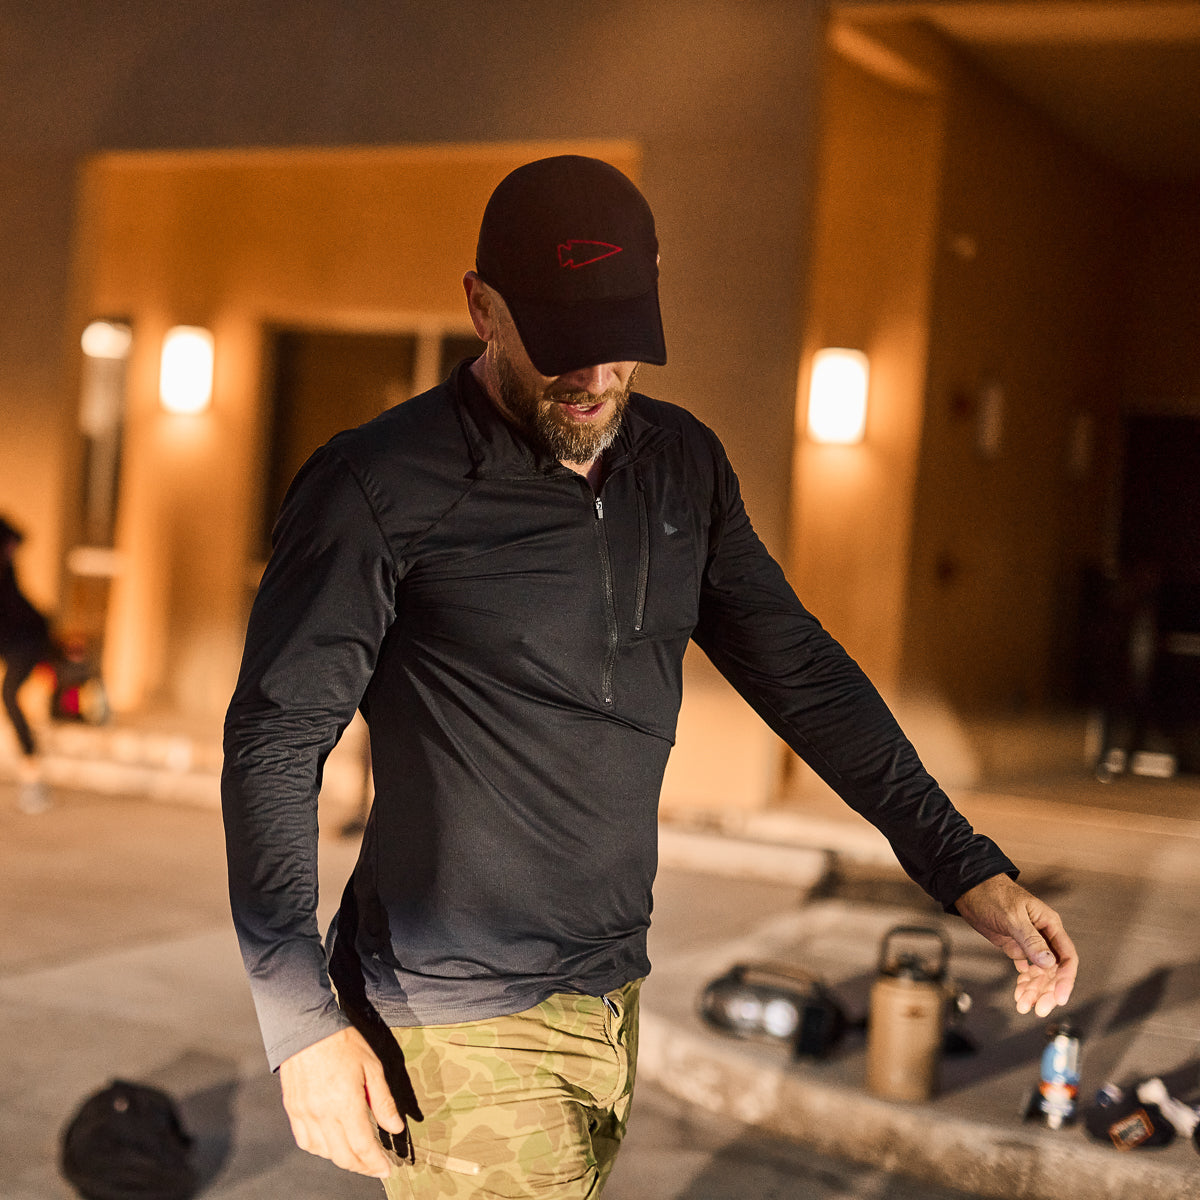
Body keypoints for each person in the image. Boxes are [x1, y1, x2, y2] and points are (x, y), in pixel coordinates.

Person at [222, 156, 1078, 1198]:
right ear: (482, 308)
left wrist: (965, 868)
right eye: (561, 346)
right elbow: (275, 742)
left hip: (609, 991)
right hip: (458, 1019)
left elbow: (803, 674)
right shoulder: (379, 484)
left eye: (619, 344)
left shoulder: (681, 465)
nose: (594, 380)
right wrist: (299, 1019)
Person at [1, 515, 55, 813]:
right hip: (13, 641)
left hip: (27, 642)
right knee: (9, 696)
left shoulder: (5, 575)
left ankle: (33, 776)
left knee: (10, 695)